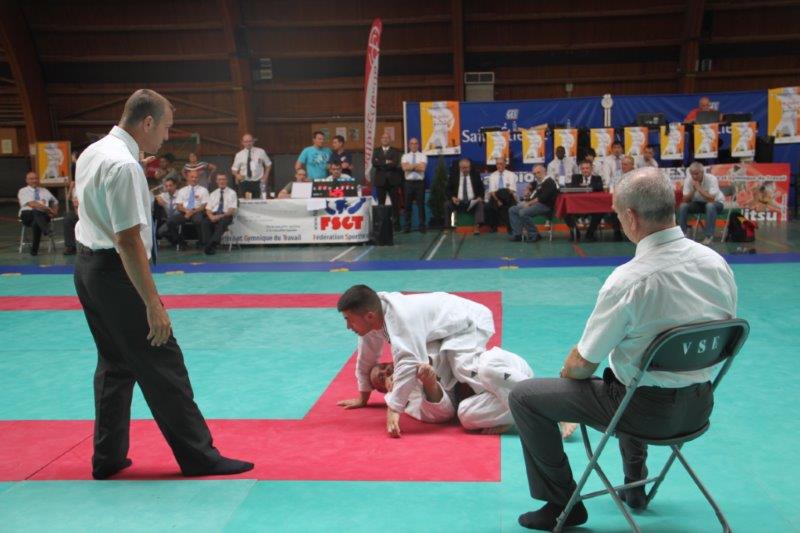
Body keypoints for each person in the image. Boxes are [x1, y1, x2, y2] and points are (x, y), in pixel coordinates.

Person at [508, 167, 737, 530]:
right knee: (631, 374)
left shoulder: (629, 281)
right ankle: (636, 486)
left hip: (642, 413)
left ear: (631, 217)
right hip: (699, 407)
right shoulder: (717, 265)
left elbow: (582, 365)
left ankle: (562, 503)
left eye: (616, 214)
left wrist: (568, 374)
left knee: (526, 396)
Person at [73, 88, 253, 479]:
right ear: (147, 122)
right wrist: (153, 304)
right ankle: (199, 457)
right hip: (116, 272)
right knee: (163, 362)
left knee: (115, 363)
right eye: (166, 127)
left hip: (87, 268)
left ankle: (107, 457)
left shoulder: (93, 152)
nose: (167, 137)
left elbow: (81, 202)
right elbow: (128, 240)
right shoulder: (123, 166)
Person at [337, 285, 509, 437]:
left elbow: (408, 362)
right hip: (447, 329)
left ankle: (505, 401)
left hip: (470, 319)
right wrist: (363, 396)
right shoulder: (373, 316)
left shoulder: (401, 319)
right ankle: (494, 406)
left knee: (463, 366)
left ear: (369, 316)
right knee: (448, 367)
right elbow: (366, 358)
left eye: (348, 319)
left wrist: (394, 409)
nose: (348, 326)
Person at [366, 345, 536, 433]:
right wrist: (429, 383)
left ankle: (535, 400)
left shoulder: (412, 350)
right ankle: (518, 412)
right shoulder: (408, 402)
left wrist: (421, 363)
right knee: (465, 415)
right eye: (381, 377)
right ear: (387, 391)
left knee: (485, 369)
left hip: (504, 370)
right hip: (492, 395)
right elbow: (443, 413)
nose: (386, 371)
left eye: (384, 366)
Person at [678, 161, 726, 245]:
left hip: (717, 203)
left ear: (702, 172)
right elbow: (685, 200)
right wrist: (693, 190)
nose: (694, 176)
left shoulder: (711, 179)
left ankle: (709, 236)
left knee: (710, 206)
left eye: (697, 174)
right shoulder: (688, 180)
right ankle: (682, 235)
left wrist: (699, 188)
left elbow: (711, 199)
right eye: (692, 174)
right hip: (699, 204)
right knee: (683, 206)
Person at [508, 164, 556, 243]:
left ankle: (534, 234)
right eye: (534, 173)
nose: (536, 175)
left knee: (523, 212)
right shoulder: (538, 181)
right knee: (512, 210)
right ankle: (517, 234)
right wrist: (527, 189)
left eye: (538, 172)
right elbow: (531, 185)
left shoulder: (549, 182)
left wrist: (528, 203)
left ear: (544, 172)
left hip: (545, 206)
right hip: (535, 204)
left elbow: (541, 198)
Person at [18, 171, 59, 256]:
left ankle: (35, 249)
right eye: (31, 179)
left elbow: (55, 202)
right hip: (27, 215)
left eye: (36, 178)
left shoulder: (45, 190)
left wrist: (54, 212)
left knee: (36, 222)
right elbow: (32, 204)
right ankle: (46, 230)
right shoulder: (23, 191)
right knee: (35, 211)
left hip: (43, 215)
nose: (34, 180)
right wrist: (48, 209)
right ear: (27, 180)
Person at [563, 161, 605, 242]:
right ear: (580, 170)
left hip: (592, 206)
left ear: (591, 169)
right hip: (578, 206)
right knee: (565, 212)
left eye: (587, 168)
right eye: (583, 168)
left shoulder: (597, 178)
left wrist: (587, 186)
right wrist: (583, 186)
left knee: (600, 212)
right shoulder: (575, 177)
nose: (585, 170)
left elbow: (599, 187)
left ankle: (590, 234)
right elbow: (573, 187)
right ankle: (575, 232)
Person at [167, 169, 209, 247]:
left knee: (198, 221)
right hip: (184, 212)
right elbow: (179, 206)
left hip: (197, 211)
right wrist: (186, 211)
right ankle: (181, 242)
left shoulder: (204, 190)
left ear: (198, 178)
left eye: (196, 177)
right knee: (170, 221)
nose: (194, 179)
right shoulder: (182, 190)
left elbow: (204, 206)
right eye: (192, 177)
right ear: (188, 178)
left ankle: (201, 242)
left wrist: (192, 212)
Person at [445, 157, 485, 235]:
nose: (465, 170)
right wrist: (453, 198)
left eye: (467, 168)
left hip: (472, 202)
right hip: (458, 202)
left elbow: (481, 189)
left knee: (480, 204)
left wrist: (480, 197)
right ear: (459, 168)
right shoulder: (454, 175)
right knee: (447, 204)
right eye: (463, 168)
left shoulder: (475, 175)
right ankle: (448, 227)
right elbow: (447, 190)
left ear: (470, 167)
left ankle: (476, 227)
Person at [371, 133, 403, 229]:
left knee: (395, 204)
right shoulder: (376, 151)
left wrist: (381, 163)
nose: (385, 139)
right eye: (383, 137)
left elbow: (395, 163)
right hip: (380, 181)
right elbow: (374, 163)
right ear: (381, 139)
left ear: (390, 140)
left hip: (393, 181)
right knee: (381, 204)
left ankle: (397, 225)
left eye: (387, 137)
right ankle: (382, 226)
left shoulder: (395, 151)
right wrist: (387, 162)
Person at [201, 173, 238, 255]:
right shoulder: (213, 193)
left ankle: (212, 244)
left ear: (227, 181)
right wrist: (211, 216)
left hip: (226, 215)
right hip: (214, 214)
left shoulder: (232, 193)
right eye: (219, 179)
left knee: (223, 222)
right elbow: (208, 208)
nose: (222, 181)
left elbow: (231, 210)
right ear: (216, 181)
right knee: (205, 222)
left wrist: (219, 216)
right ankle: (208, 245)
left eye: (223, 179)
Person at [231, 133, 271, 199]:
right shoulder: (239, 155)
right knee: (247, 203)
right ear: (242, 143)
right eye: (246, 142)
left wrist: (265, 176)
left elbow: (268, 164)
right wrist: (237, 175)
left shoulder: (261, 152)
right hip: (245, 182)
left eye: (250, 141)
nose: (248, 143)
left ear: (253, 141)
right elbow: (234, 169)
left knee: (260, 202)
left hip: (259, 182)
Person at [400, 137, 427, 233]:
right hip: (408, 183)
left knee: (421, 205)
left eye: (416, 143)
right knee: (407, 206)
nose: (414, 145)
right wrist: (416, 165)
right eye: (412, 143)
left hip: (420, 183)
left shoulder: (423, 156)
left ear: (418, 145)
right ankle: (407, 227)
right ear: (409, 145)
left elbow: (422, 168)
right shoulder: (405, 156)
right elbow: (404, 168)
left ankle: (422, 226)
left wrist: (410, 166)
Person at [485, 157, 517, 233]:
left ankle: (511, 227)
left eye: (501, 164)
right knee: (489, 206)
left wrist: (502, 193)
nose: (499, 166)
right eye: (497, 164)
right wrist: (498, 200)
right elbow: (492, 192)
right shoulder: (492, 175)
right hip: (496, 197)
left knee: (509, 201)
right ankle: (493, 227)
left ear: (505, 164)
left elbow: (512, 190)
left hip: (508, 196)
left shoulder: (511, 175)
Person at [155, 177, 180, 245]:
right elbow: (156, 196)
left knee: (171, 222)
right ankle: (177, 240)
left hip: (178, 217)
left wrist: (165, 204)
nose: (168, 188)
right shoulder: (164, 195)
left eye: (170, 185)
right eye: (166, 186)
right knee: (159, 232)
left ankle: (178, 241)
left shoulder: (180, 194)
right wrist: (158, 198)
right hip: (168, 219)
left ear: (175, 185)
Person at [63, 187, 80, 255]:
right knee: (67, 218)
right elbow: (74, 203)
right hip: (79, 213)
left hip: (90, 212)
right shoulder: (75, 189)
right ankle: (71, 246)